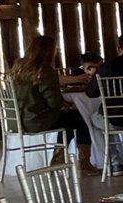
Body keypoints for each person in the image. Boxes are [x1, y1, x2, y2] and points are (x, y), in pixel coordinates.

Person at [10, 33, 93, 171]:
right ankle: (83, 163)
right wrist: (62, 105)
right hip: (37, 120)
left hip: (19, 120)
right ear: (50, 51)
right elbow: (55, 102)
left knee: (67, 121)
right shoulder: (44, 70)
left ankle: (58, 159)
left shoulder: (18, 68)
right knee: (80, 119)